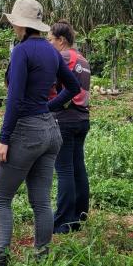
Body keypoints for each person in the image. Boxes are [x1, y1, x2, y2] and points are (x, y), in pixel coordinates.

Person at [0, 0, 81, 266]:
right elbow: (73, 86)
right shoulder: (52, 52)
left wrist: (3, 138)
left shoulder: (22, 51)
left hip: (27, 132)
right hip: (50, 131)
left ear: (19, 24)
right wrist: (47, 107)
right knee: (41, 201)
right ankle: (42, 258)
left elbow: (15, 99)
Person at [47, 21, 91, 233]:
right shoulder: (83, 59)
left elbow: (51, 85)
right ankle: (80, 216)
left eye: (50, 40)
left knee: (64, 170)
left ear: (61, 40)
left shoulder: (63, 57)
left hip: (65, 119)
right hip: (82, 119)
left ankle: (63, 222)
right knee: (77, 168)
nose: (48, 44)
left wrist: (47, 106)